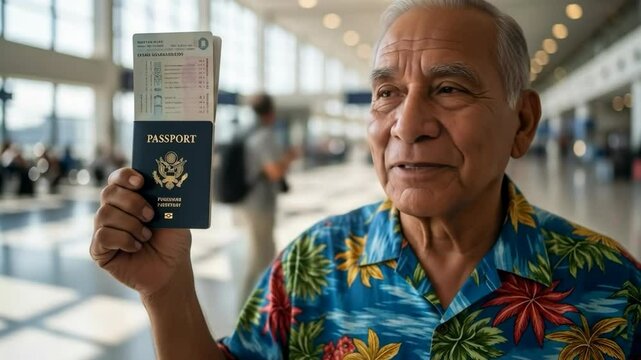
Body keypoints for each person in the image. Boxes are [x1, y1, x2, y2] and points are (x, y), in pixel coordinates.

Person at [90, 0, 641, 358]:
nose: (407, 124)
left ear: (522, 123)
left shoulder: (613, 290)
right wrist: (167, 291)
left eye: (449, 89)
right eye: (386, 93)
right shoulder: (310, 267)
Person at [237, 93, 299, 305]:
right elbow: (274, 172)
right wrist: (289, 157)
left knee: (263, 252)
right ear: (270, 113)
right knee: (261, 257)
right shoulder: (264, 136)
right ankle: (249, 307)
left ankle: (259, 304)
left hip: (251, 203)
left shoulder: (247, 133)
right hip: (259, 205)